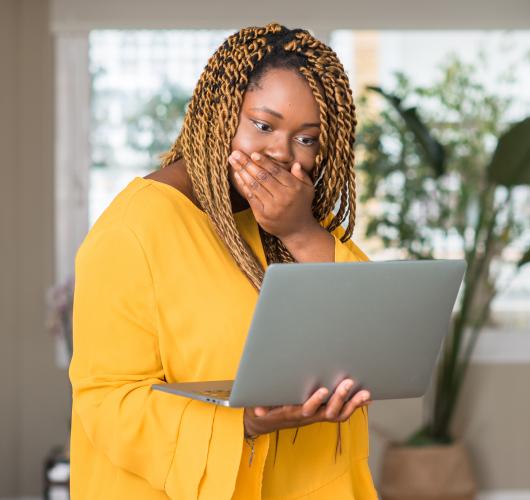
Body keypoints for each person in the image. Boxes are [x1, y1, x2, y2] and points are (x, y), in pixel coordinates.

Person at [69, 24, 377, 499]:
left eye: (307, 139)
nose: (280, 152)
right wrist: (244, 424)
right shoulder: (132, 231)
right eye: (263, 125)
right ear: (219, 114)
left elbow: (373, 333)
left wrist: (299, 231)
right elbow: (106, 403)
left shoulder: (297, 220)